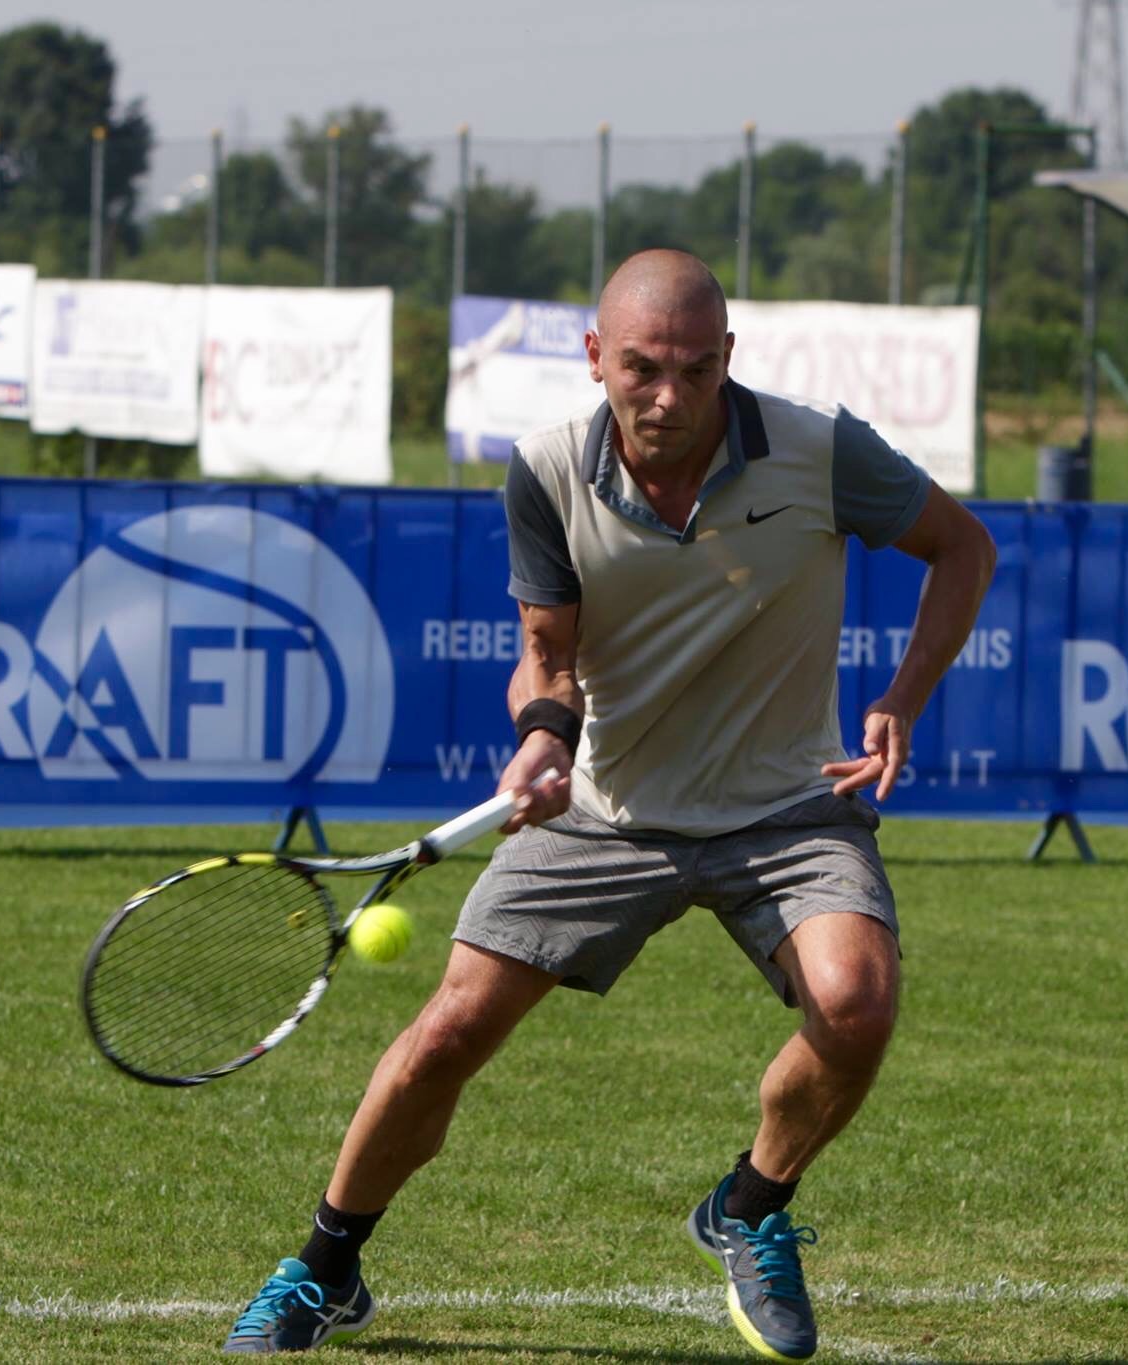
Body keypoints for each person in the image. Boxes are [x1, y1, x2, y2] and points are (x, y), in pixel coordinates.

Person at [223, 249, 995, 1359]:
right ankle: (324, 1269)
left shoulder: (820, 452)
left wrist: (901, 699)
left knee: (857, 1006)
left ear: (728, 358)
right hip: (606, 808)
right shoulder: (543, 472)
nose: (666, 396)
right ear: (595, 357)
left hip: (785, 806)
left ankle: (749, 1206)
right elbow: (547, 656)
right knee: (443, 1035)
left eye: (692, 368)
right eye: (640, 367)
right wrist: (541, 739)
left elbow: (961, 547)